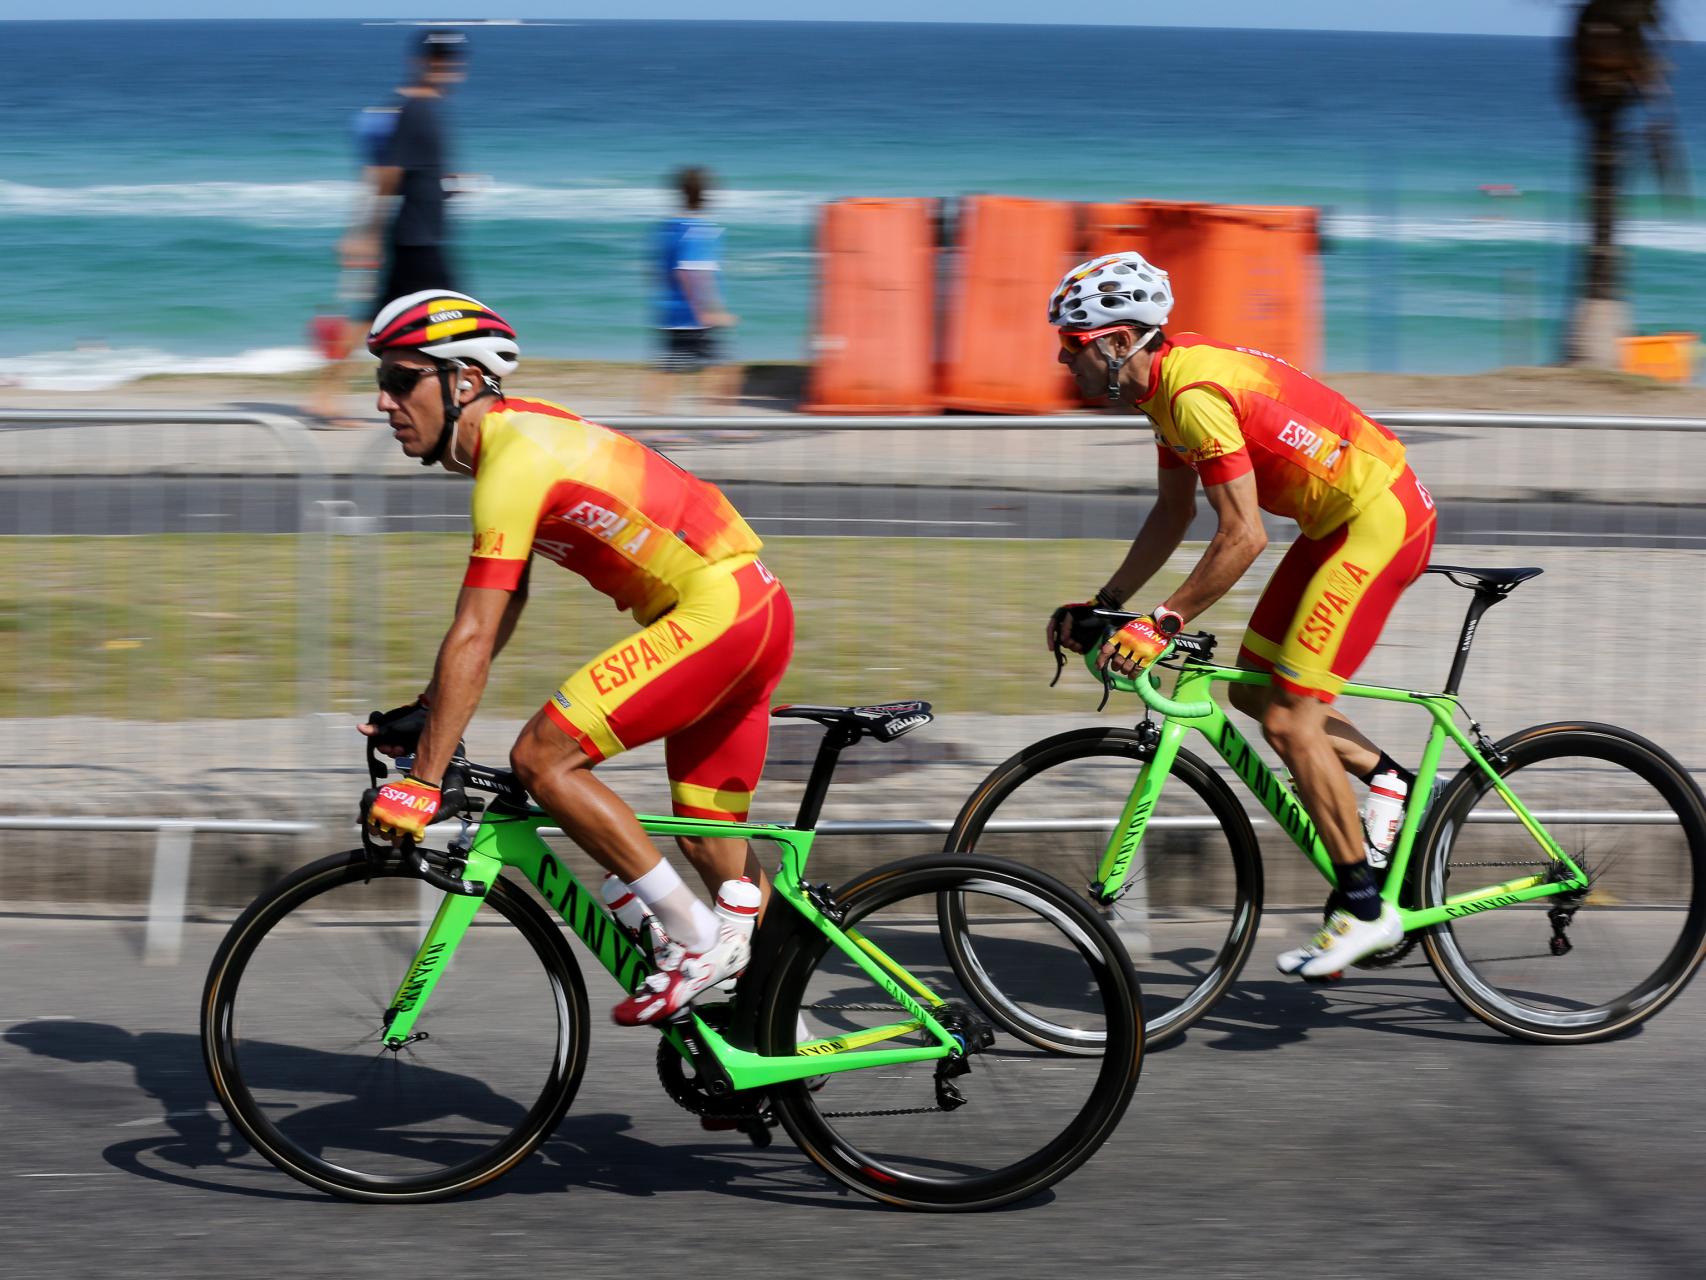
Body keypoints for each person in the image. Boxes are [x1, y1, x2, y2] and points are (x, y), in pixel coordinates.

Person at [359, 290, 795, 1025]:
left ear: (465, 381)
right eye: (382, 380)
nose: (383, 401)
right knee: (711, 845)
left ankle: (693, 941)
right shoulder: (516, 439)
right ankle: (782, 1041)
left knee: (543, 758)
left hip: (719, 615)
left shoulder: (513, 458)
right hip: (751, 610)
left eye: (402, 380)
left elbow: (474, 630)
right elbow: (504, 607)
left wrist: (422, 784)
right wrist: (432, 713)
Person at [1045, 252, 1438, 977]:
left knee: (1291, 722)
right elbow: (1173, 513)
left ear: (1119, 340)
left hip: (1380, 522)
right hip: (1335, 526)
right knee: (1254, 694)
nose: (1062, 358)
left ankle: (1365, 910)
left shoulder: (1192, 395)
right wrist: (1107, 605)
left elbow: (1244, 535)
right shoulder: (1160, 390)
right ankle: (1394, 783)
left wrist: (1161, 622)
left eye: (1072, 344)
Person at [340, 29, 468, 325]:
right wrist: (368, 233)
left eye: (449, 58)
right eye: (436, 58)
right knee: (459, 315)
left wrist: (446, 185)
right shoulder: (415, 111)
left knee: (381, 318)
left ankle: (338, 355)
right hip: (418, 241)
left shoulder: (427, 110)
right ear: (418, 62)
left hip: (421, 237)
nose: (443, 64)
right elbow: (388, 176)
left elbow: (412, 173)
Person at [304, 103, 402, 426]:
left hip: (379, 243)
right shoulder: (383, 167)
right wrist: (361, 238)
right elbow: (373, 200)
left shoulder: (379, 167)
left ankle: (326, 395)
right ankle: (325, 396)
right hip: (378, 245)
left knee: (366, 321)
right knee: (363, 321)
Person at [645, 167, 740, 414]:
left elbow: (656, 269)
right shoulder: (697, 229)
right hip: (694, 318)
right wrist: (709, 312)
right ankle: (719, 423)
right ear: (706, 194)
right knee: (726, 367)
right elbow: (692, 272)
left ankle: (652, 423)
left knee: (668, 370)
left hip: (671, 313)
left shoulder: (668, 229)